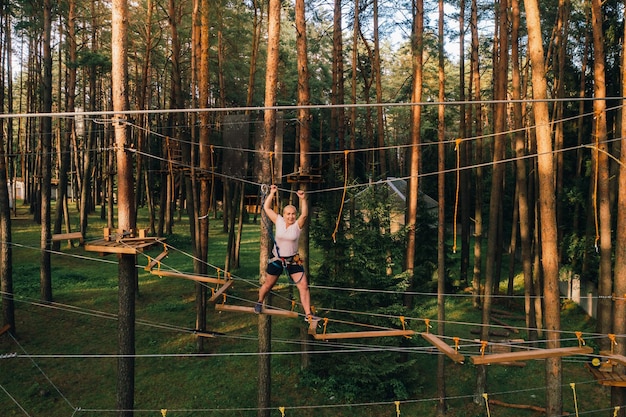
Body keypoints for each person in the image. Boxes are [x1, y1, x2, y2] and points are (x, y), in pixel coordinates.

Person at [256, 184, 317, 322]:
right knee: (268, 285)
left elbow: (305, 214)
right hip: (277, 259)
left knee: (304, 286)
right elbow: (266, 208)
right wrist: (272, 193)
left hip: (293, 259)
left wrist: (303, 199)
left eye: (293, 214)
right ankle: (260, 301)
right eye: (288, 214)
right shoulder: (278, 221)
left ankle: (308, 314)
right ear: (284, 215)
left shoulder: (297, 225)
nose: (291, 216)